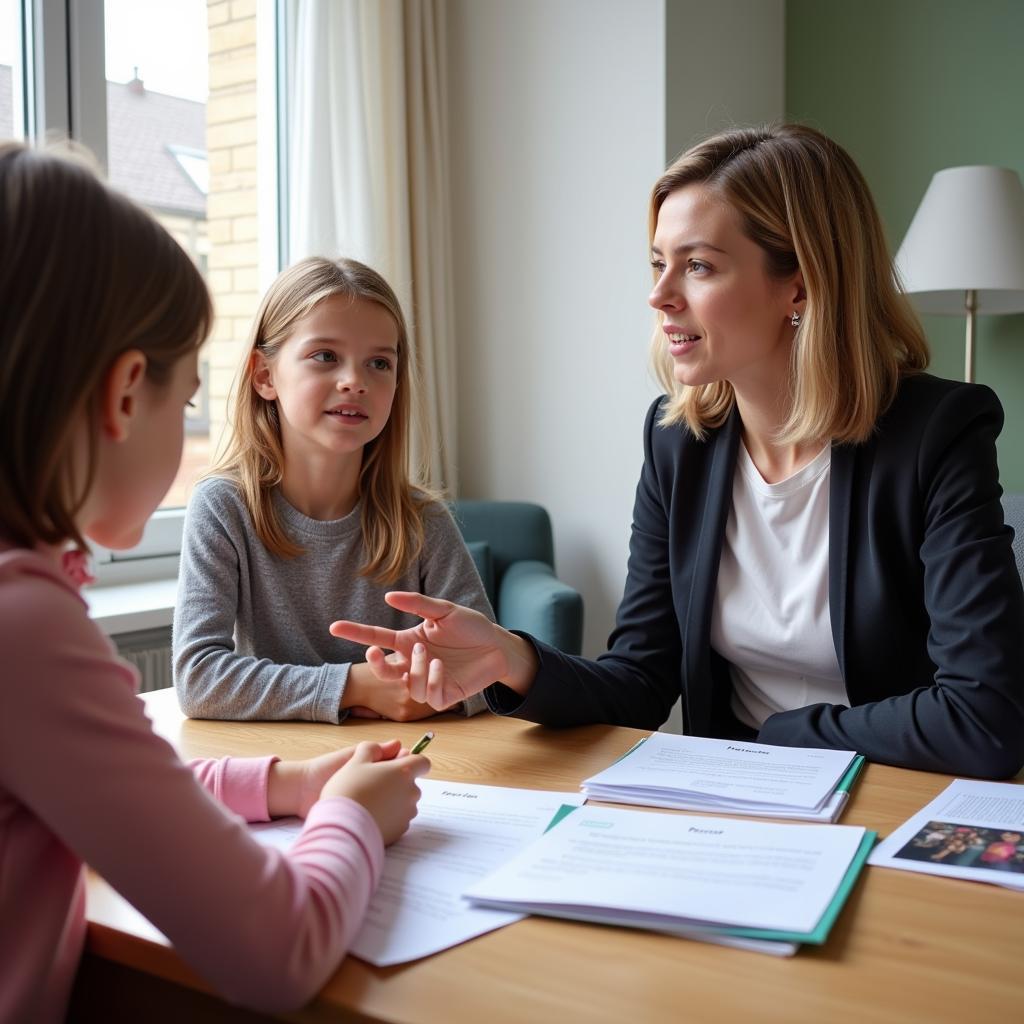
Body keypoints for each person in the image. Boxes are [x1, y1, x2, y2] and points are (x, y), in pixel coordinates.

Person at [330, 123, 1024, 778]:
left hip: (893, 797)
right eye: (659, 263)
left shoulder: (936, 434)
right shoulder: (677, 442)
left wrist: (780, 736)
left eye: (697, 266)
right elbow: (641, 676)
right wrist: (511, 659)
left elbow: (986, 716)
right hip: (730, 802)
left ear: (800, 284)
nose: (659, 296)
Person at [0, 142, 430, 1022]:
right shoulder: (24, 625)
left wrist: (286, 784)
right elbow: (281, 950)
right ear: (127, 394)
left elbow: (112, 780)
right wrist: (347, 815)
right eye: (186, 394)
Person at [172, 255, 493, 724]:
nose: (354, 382)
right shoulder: (223, 507)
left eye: (379, 363)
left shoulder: (422, 520)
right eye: (325, 356)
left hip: (408, 766)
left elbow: (490, 667)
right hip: (280, 770)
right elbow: (199, 679)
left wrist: (426, 688)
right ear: (264, 376)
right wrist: (354, 686)